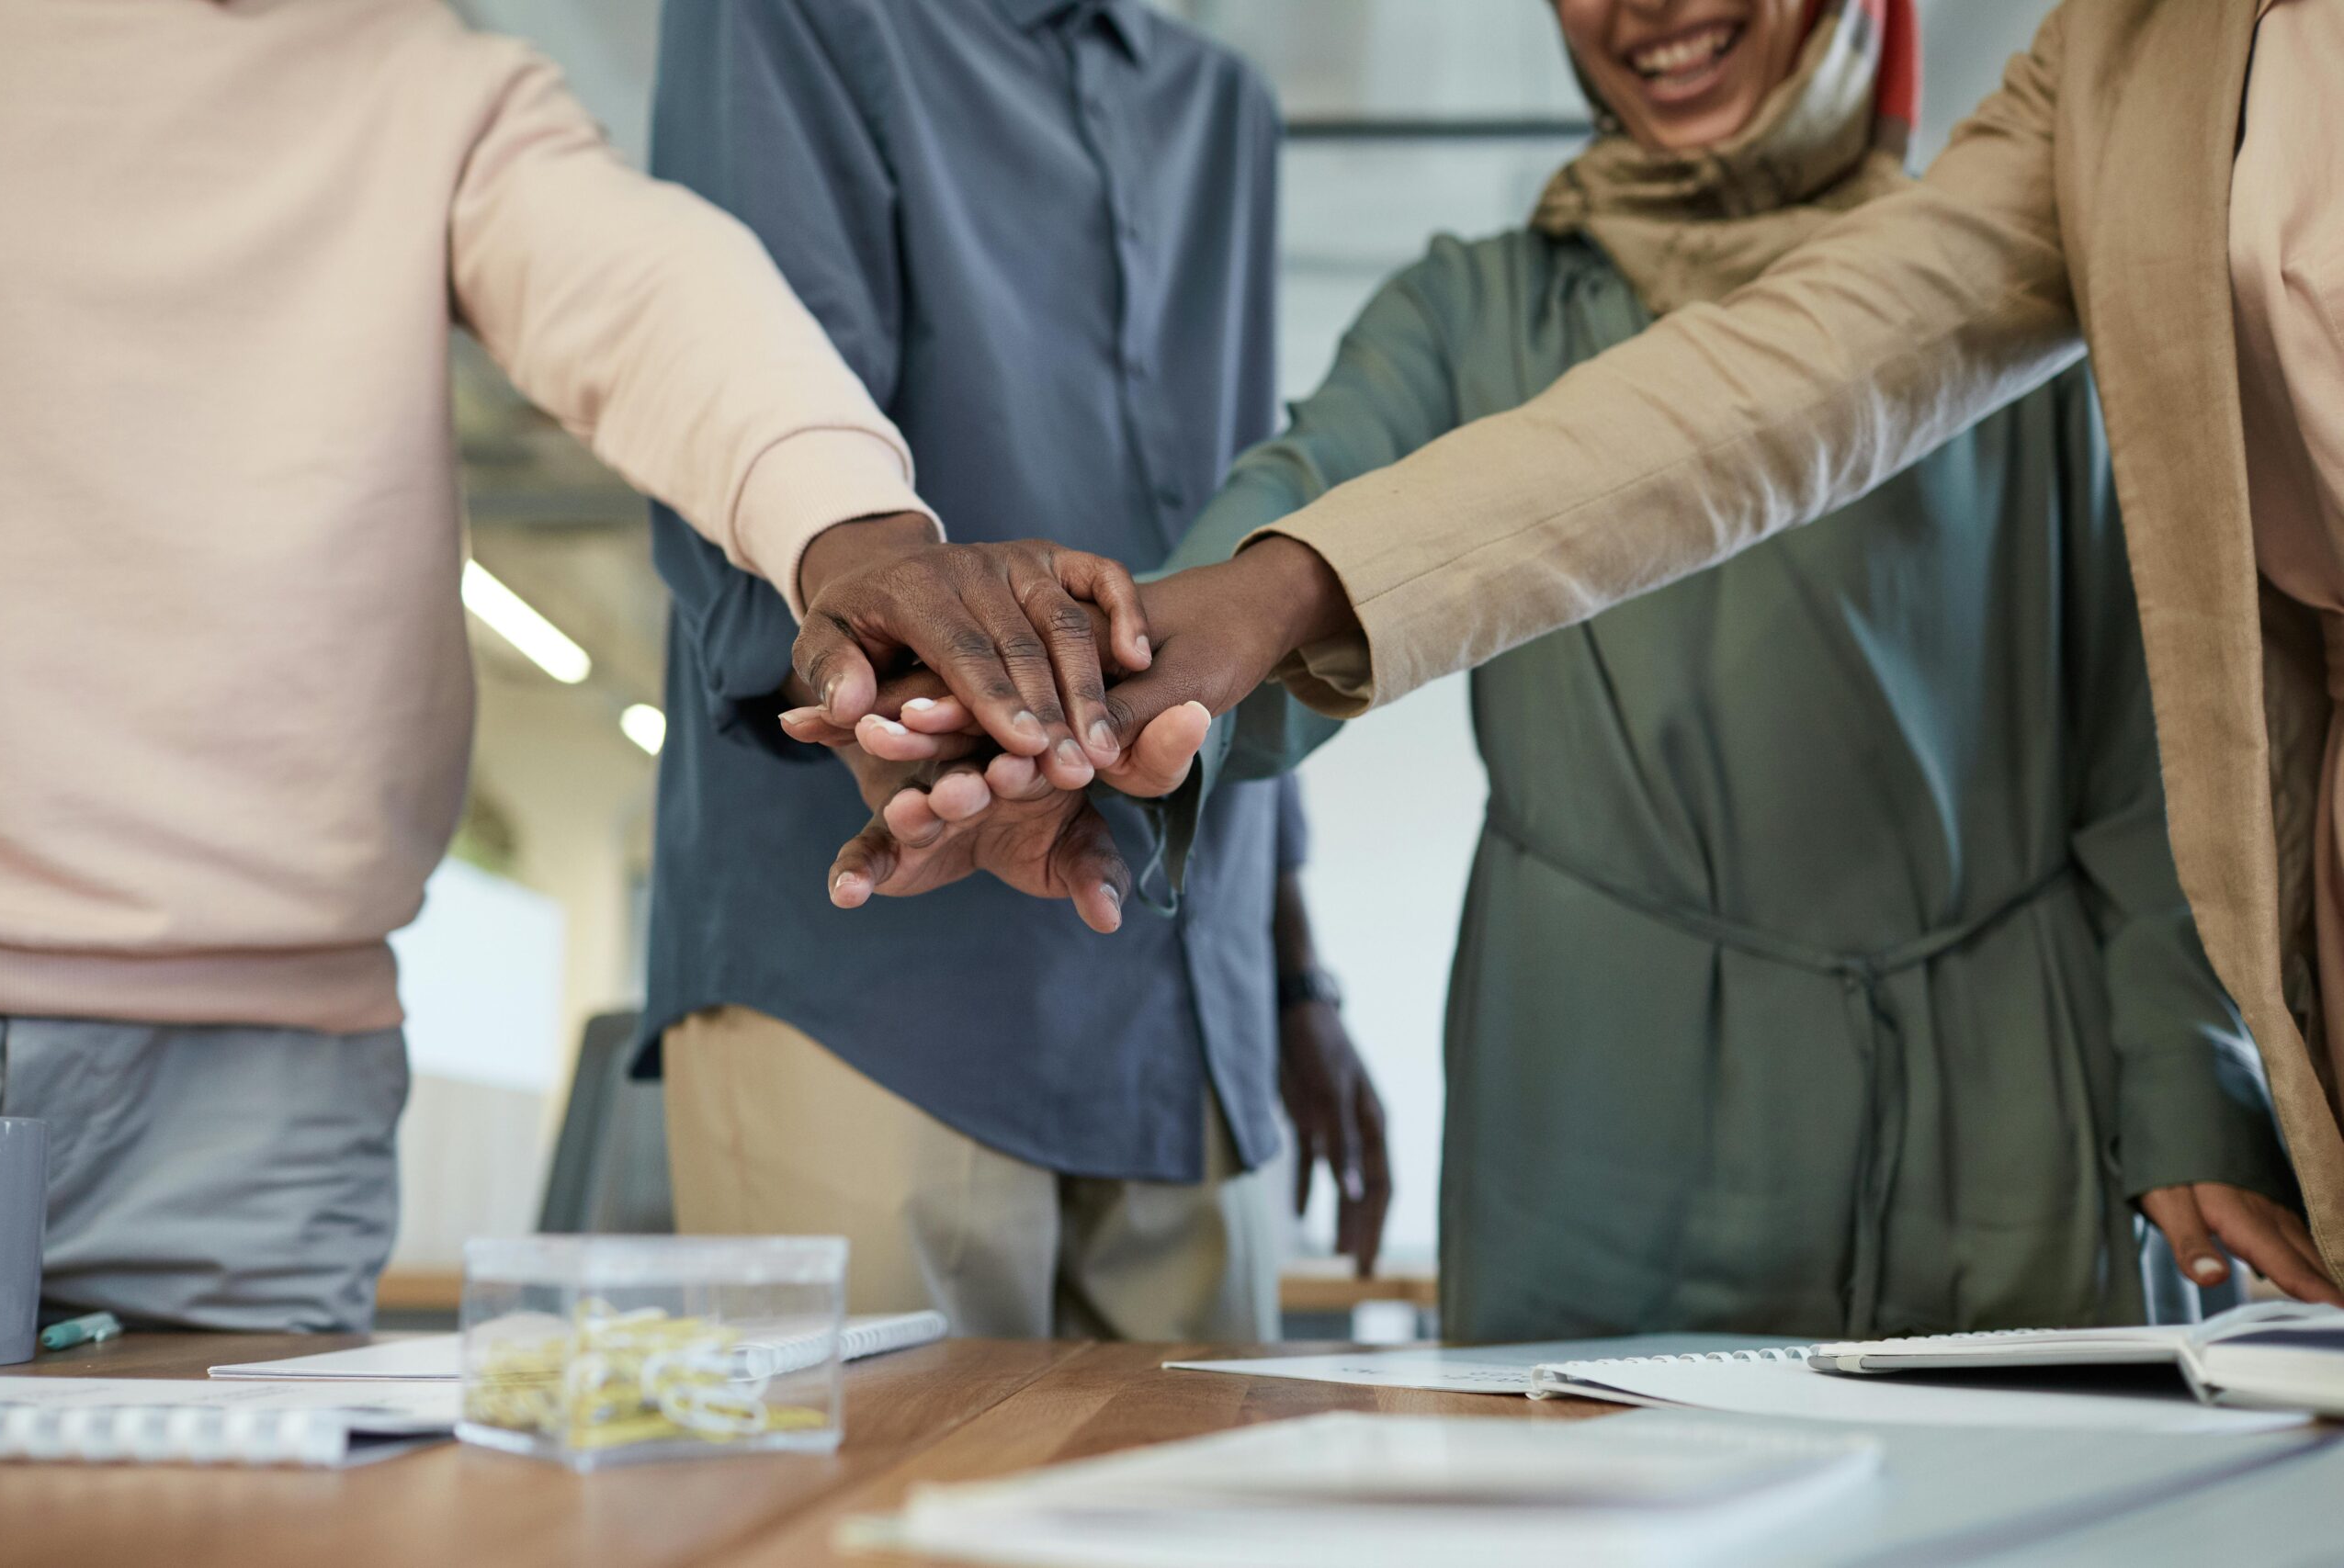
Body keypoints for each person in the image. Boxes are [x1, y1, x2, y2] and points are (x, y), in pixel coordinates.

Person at [783, 0, 2344, 1299]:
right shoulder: (1473, 312)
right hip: (1604, 1077)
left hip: (2009, 1086)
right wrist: (1060, 699)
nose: (1649, 10)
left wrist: (2182, 1079)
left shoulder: (2046, 303)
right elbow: (1273, 540)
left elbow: (2156, 738)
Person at [0, 0, 963, 1332]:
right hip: (265, 1074)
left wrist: (857, 538)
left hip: (261, 1086)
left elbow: (647, 294)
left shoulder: (428, 80)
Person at [639, 0, 1389, 1339]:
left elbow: (1240, 554)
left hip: (1183, 992)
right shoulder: (786, 19)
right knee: (875, 1528)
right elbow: (743, 414)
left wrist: (1291, 975)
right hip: (878, 985)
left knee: (1211, 1528)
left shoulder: (1223, 111)